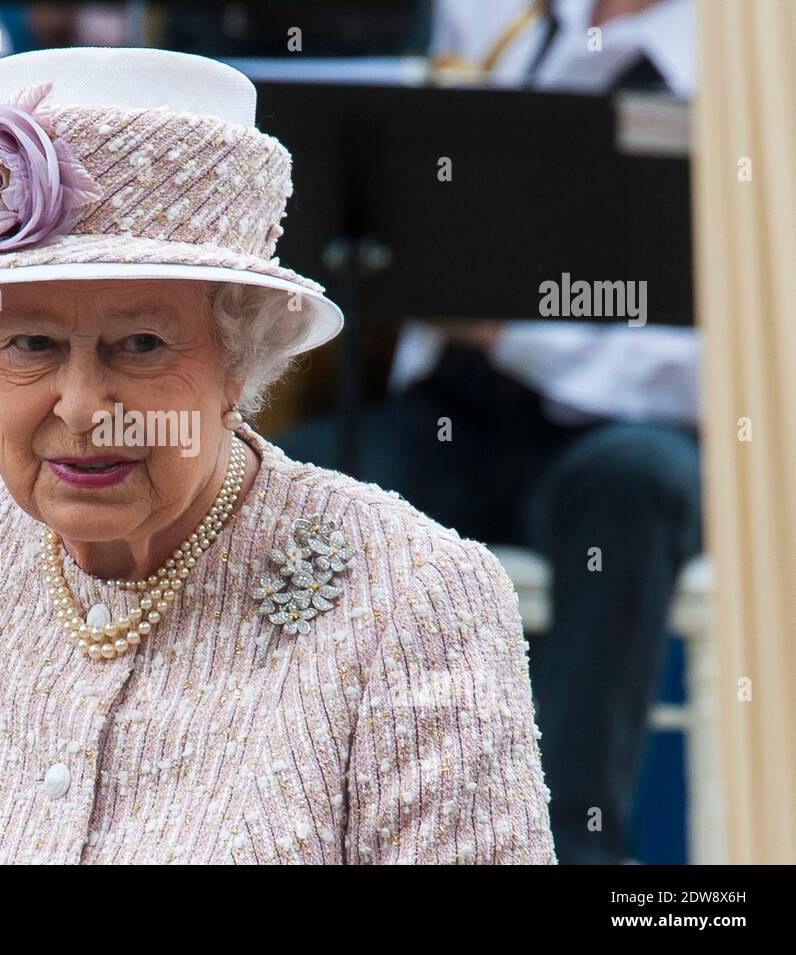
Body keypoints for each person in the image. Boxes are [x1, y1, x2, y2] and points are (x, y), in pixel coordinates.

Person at [0, 46, 556, 864]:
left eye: (140, 343)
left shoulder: (413, 598)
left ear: (239, 354)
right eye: (32, 342)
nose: (80, 407)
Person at [281, 0, 701, 864]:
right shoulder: (492, 20)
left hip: (626, 433)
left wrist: (513, 331)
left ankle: (571, 850)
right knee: (284, 484)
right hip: (458, 415)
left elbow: (720, 359)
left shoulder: (751, 69)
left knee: (634, 483)